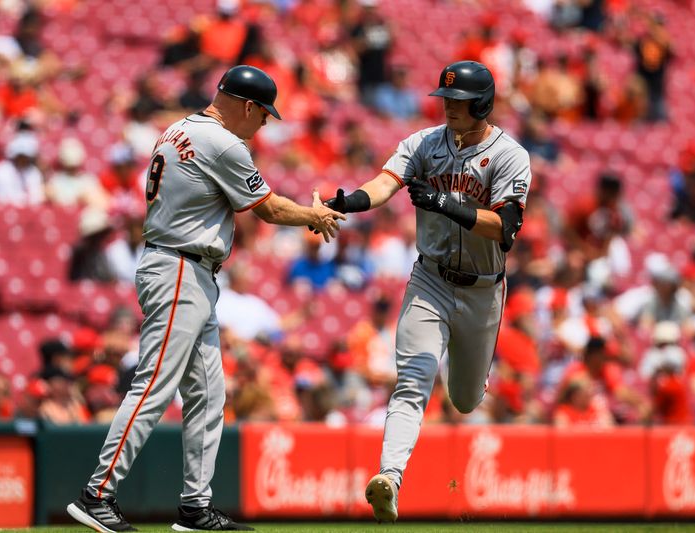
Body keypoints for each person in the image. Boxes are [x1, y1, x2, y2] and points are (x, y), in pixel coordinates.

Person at [66, 64, 344, 533]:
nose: (264, 125)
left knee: (209, 393)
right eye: (264, 115)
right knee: (154, 384)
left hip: (185, 266)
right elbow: (270, 208)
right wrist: (313, 215)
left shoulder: (178, 128)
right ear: (249, 106)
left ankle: (195, 507)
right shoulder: (222, 142)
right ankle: (97, 494)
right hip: (179, 267)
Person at [319, 61, 531, 523]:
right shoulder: (423, 143)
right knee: (412, 381)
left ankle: (475, 371)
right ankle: (389, 478)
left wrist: (444, 204)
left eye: (458, 101)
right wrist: (350, 201)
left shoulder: (510, 154)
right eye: (446, 100)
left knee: (466, 399)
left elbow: (505, 228)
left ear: (482, 103)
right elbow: (384, 184)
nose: (449, 107)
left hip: (482, 289)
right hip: (430, 278)